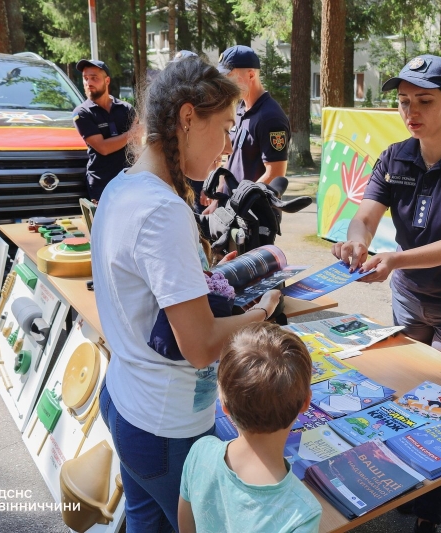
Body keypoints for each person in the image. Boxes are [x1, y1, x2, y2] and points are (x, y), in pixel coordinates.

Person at [91, 56, 281, 532]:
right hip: (165, 424)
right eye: (223, 129)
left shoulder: (124, 187)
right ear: (188, 117)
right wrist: (259, 314)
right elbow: (198, 347)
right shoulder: (161, 209)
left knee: (145, 522)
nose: (225, 148)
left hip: (128, 400)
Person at [331, 54, 441, 533]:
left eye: (424, 101)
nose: (411, 111)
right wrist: (358, 241)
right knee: (404, 394)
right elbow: (365, 214)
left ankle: (430, 511)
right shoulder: (395, 155)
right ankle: (407, 481)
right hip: (409, 297)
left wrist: (393, 260)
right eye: (404, 101)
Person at [178, 322, 322, 533]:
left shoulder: (201, 451)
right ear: (306, 403)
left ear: (224, 406)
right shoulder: (301, 513)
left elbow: (186, 526)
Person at [200, 45, 289, 214]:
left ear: (251, 75)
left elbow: (275, 173)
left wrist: (237, 202)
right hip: (232, 210)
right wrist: (219, 200)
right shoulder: (240, 108)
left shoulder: (270, 117)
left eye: (229, 77)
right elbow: (232, 161)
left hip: (254, 216)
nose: (224, 83)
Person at [72, 59, 135, 202]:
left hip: (129, 181)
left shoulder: (126, 109)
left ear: (107, 81)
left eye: (94, 78)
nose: (88, 83)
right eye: (85, 78)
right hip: (102, 184)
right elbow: (103, 147)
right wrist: (131, 134)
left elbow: (137, 145)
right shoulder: (81, 113)